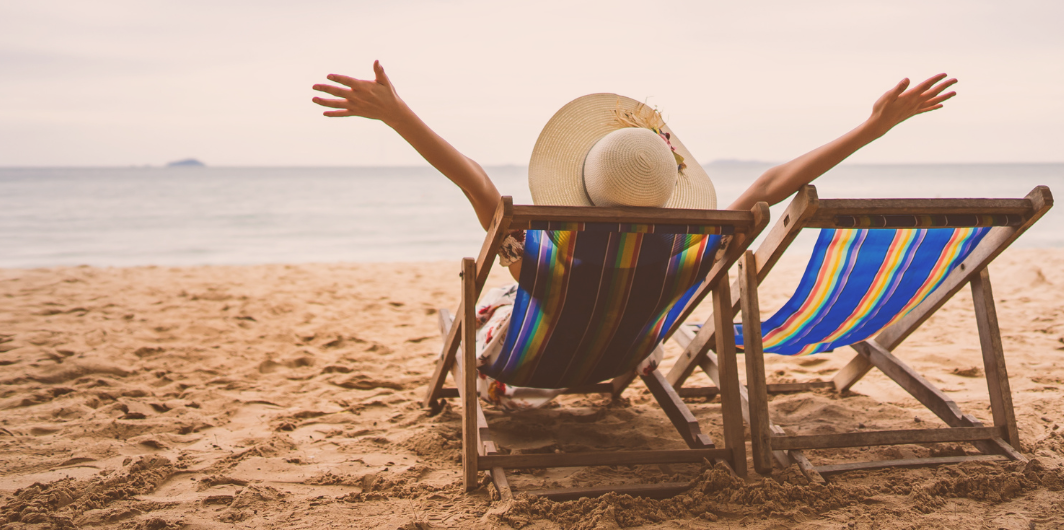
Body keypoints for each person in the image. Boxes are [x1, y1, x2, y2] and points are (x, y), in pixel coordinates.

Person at [312, 61, 956, 408]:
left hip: (526, 358)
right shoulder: (690, 255)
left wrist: (398, 117)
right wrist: (873, 129)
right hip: (623, 358)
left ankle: (493, 384)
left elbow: (479, 188)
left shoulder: (545, 257)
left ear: (579, 185)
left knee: (480, 311)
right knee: (547, 308)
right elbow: (770, 187)